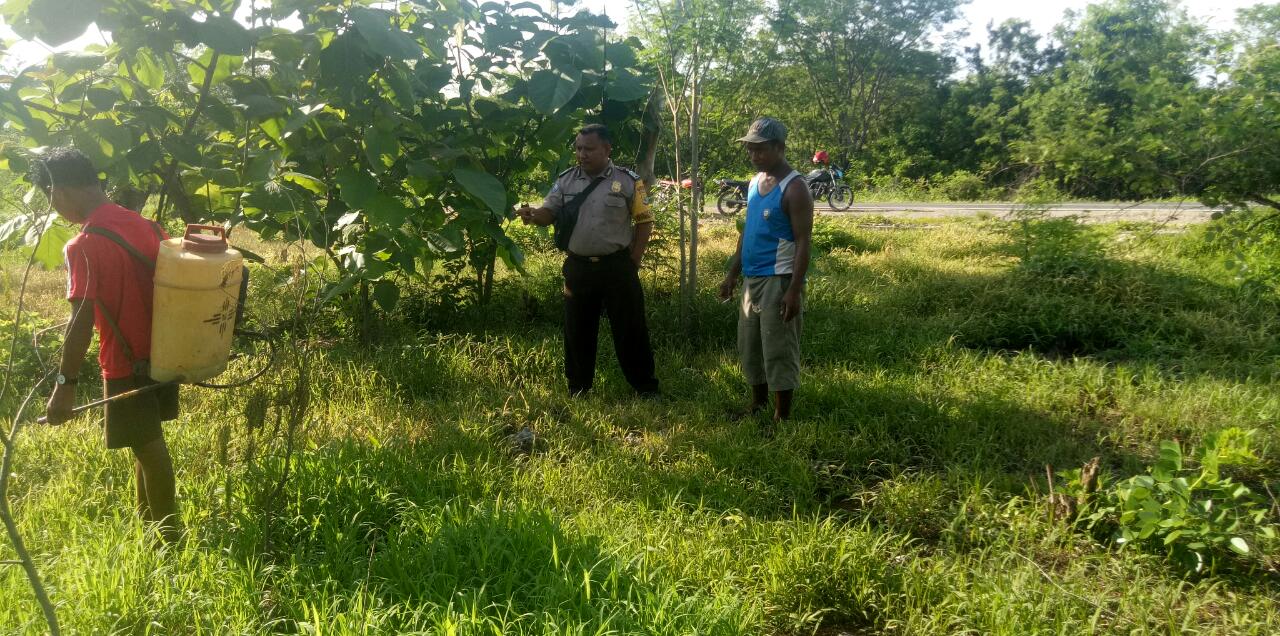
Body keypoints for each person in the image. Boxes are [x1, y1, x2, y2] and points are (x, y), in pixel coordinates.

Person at [37, 148, 182, 542]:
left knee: (151, 450)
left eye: (49, 196)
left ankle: (172, 546)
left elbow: (80, 323)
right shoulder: (148, 225)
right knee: (145, 444)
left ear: (59, 190)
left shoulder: (83, 244)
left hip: (125, 362)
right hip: (165, 354)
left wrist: (63, 389)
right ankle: (148, 532)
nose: (53, 206)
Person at [516, 124, 660, 397]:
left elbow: (644, 221)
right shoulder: (566, 180)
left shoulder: (628, 180)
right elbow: (549, 212)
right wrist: (533, 215)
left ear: (606, 150)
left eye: (589, 149)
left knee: (630, 329)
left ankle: (645, 387)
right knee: (577, 330)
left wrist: (634, 260)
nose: (582, 154)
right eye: (578, 148)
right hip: (578, 267)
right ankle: (579, 387)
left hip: (618, 267)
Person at [718, 118, 814, 423]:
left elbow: (803, 242)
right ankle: (757, 403)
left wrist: (794, 291)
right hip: (752, 278)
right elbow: (747, 231)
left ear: (780, 147)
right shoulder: (754, 183)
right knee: (751, 346)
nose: (754, 155)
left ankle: (780, 416)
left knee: (778, 348)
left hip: (779, 279)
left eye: (760, 149)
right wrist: (732, 273)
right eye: (750, 149)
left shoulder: (795, 188)